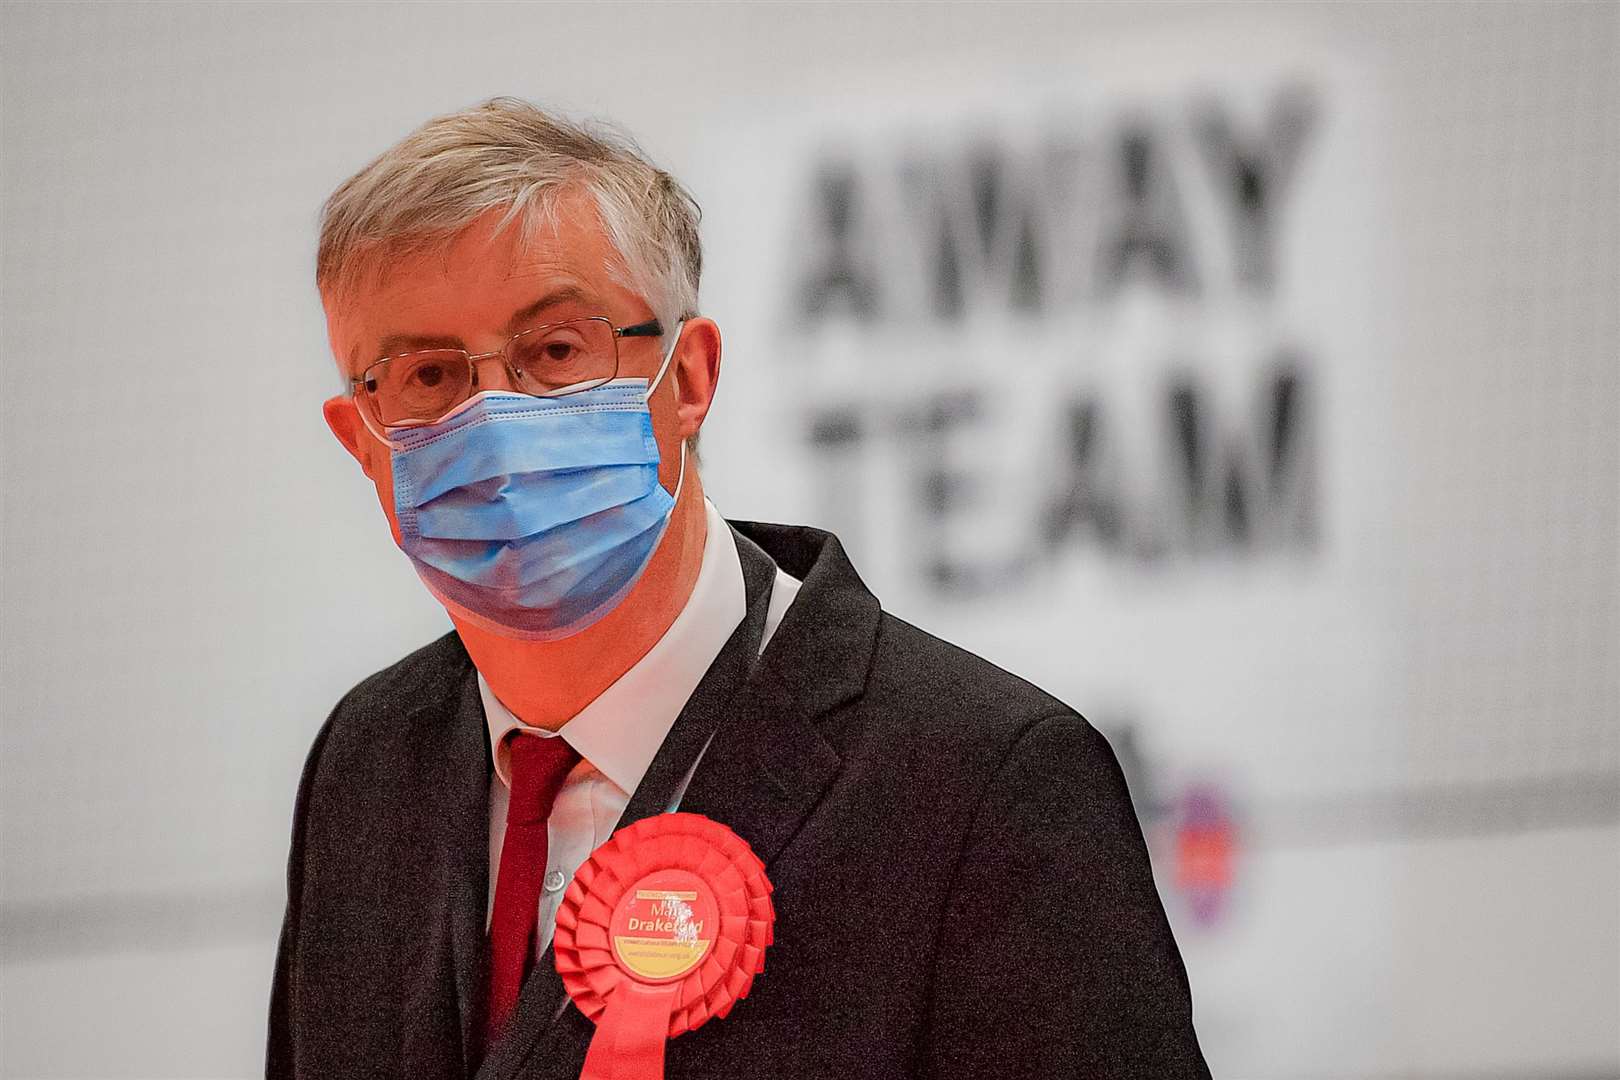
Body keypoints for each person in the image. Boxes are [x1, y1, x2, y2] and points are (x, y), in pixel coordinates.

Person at [267, 97, 1209, 1080]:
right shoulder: (365, 763)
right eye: (427, 375)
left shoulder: (987, 782)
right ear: (360, 442)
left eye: (554, 350)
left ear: (687, 379)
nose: (495, 425)